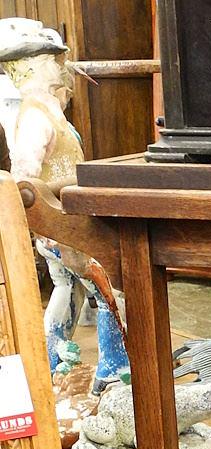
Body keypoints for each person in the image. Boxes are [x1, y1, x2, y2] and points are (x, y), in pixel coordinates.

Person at [0, 17, 129, 392]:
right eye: (50, 61)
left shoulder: (49, 112)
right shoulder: (35, 118)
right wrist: (53, 208)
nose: (59, 67)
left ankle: (50, 360)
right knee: (106, 288)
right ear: (27, 69)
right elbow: (25, 182)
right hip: (62, 225)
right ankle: (111, 369)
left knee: (67, 289)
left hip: (67, 221)